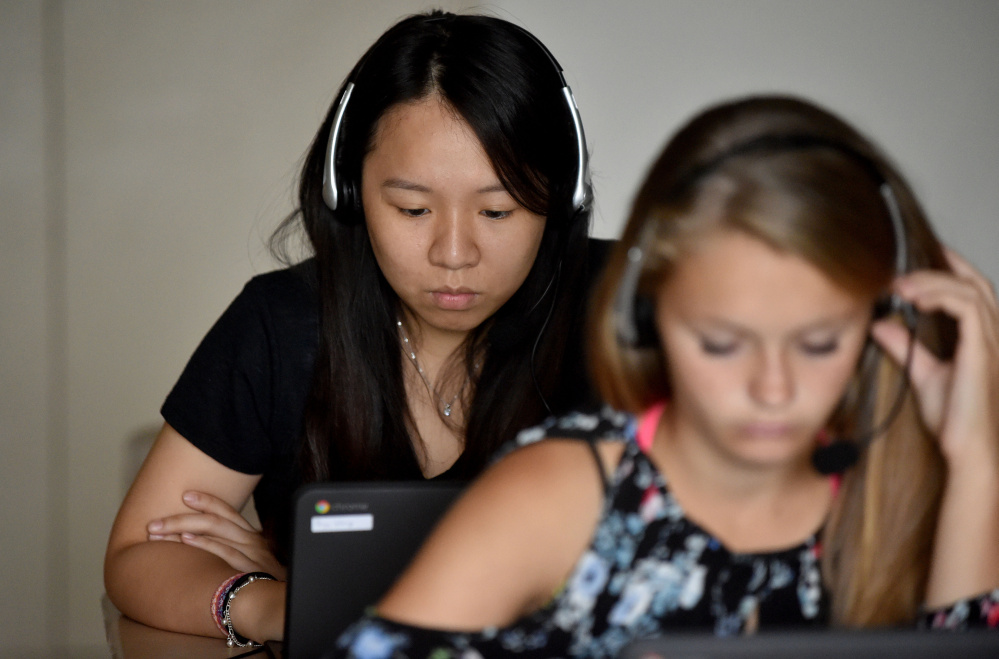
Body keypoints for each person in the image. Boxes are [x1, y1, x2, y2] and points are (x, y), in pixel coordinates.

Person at [332, 95, 999, 658]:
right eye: (720, 342)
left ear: (880, 323)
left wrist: (974, 459)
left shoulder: (903, 485)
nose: (773, 387)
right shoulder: (558, 493)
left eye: (819, 343)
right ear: (643, 315)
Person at [104, 10, 610, 646]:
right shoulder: (283, 323)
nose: (454, 253)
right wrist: (282, 604)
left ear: (561, 196)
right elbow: (139, 553)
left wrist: (339, 588)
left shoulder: (630, 312)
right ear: (347, 188)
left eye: (498, 209)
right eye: (413, 208)